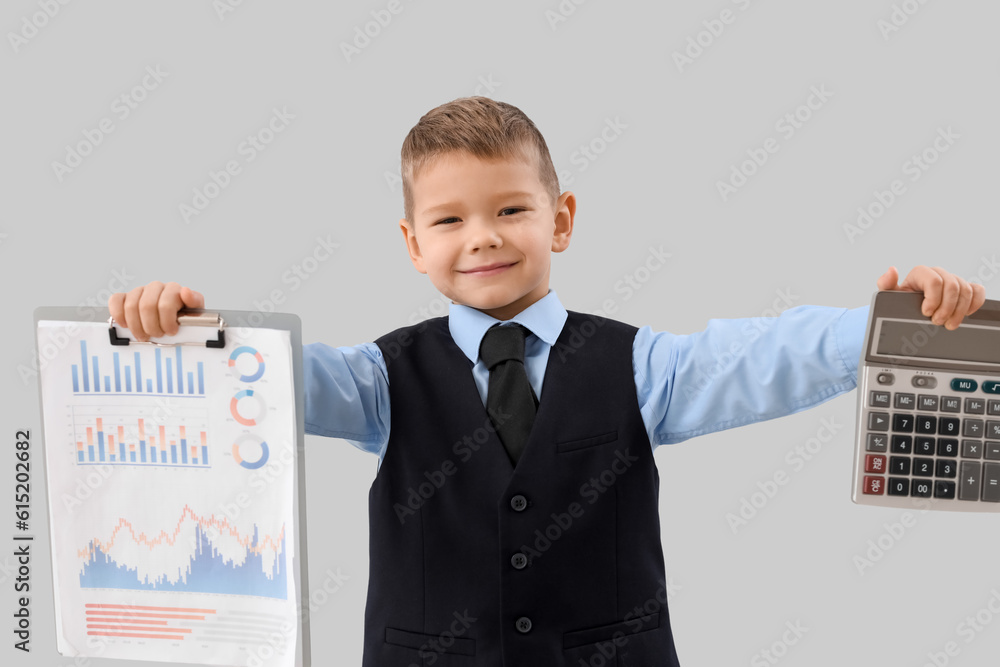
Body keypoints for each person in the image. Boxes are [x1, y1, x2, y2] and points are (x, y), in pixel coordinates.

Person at [108, 96, 986, 666]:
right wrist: (191, 333)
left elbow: (763, 354)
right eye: (450, 219)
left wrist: (886, 327)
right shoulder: (382, 379)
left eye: (511, 209)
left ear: (560, 220)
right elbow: (274, 380)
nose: (482, 236)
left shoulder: (643, 367)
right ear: (413, 245)